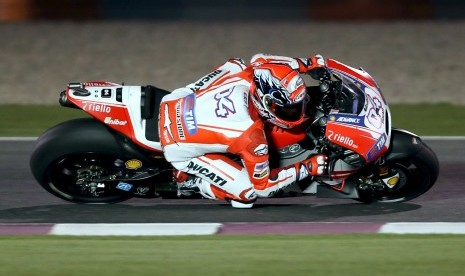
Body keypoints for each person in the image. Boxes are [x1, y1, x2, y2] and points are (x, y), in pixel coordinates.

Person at [158, 53, 329, 208]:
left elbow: (261, 60)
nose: (300, 112)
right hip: (176, 143)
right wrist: (308, 167)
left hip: (175, 101)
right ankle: (192, 182)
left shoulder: (251, 74)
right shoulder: (253, 137)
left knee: (235, 65)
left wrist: (307, 64)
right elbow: (264, 188)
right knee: (247, 193)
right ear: (266, 103)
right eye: (290, 110)